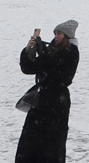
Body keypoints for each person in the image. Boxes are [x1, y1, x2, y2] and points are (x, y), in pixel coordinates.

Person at [15, 21, 79, 163]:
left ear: (67, 36)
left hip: (57, 103)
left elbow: (63, 76)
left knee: (52, 144)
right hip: (41, 101)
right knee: (30, 142)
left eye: (59, 33)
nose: (56, 36)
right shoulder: (51, 49)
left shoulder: (72, 51)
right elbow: (29, 68)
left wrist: (43, 51)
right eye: (55, 33)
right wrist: (29, 50)